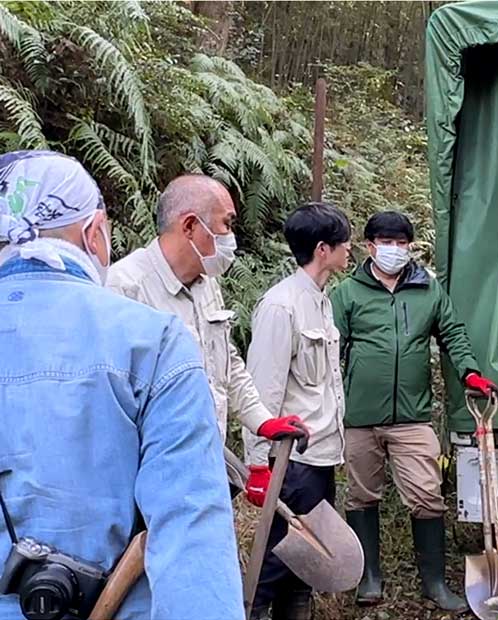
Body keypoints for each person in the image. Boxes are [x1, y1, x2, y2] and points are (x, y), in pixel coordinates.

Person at [0, 150, 244, 619]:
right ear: (94, 232)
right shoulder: (150, 337)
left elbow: (232, 362)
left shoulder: (199, 296)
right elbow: (189, 532)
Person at [330, 211, 498, 612]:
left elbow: (453, 335)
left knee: (428, 498)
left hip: (412, 417)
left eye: (401, 242)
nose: (394, 249)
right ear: (368, 246)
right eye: (385, 242)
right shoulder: (348, 294)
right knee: (361, 497)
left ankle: (435, 583)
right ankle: (369, 577)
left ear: (410, 246)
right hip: (360, 416)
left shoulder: (428, 290)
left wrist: (470, 373)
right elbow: (327, 351)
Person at [107, 174, 308, 451]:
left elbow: (225, 359)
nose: (231, 237)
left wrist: (262, 421)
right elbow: (111, 395)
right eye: (226, 224)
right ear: (190, 225)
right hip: (151, 462)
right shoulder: (125, 288)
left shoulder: (206, 284)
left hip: (206, 455)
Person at [242, 202, 352, 620]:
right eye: (343, 243)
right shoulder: (280, 305)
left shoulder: (322, 301)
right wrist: (258, 465)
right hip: (292, 461)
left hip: (321, 455)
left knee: (305, 563)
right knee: (276, 561)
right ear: (322, 249)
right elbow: (261, 388)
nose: (350, 250)